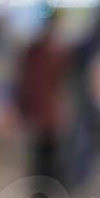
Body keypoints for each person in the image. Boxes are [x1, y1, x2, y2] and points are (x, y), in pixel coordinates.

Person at [14, 12, 69, 187]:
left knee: (50, 151)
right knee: (41, 151)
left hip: (50, 110)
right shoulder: (38, 50)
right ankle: (41, 190)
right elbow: (27, 81)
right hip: (41, 109)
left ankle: (48, 189)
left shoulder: (58, 51)